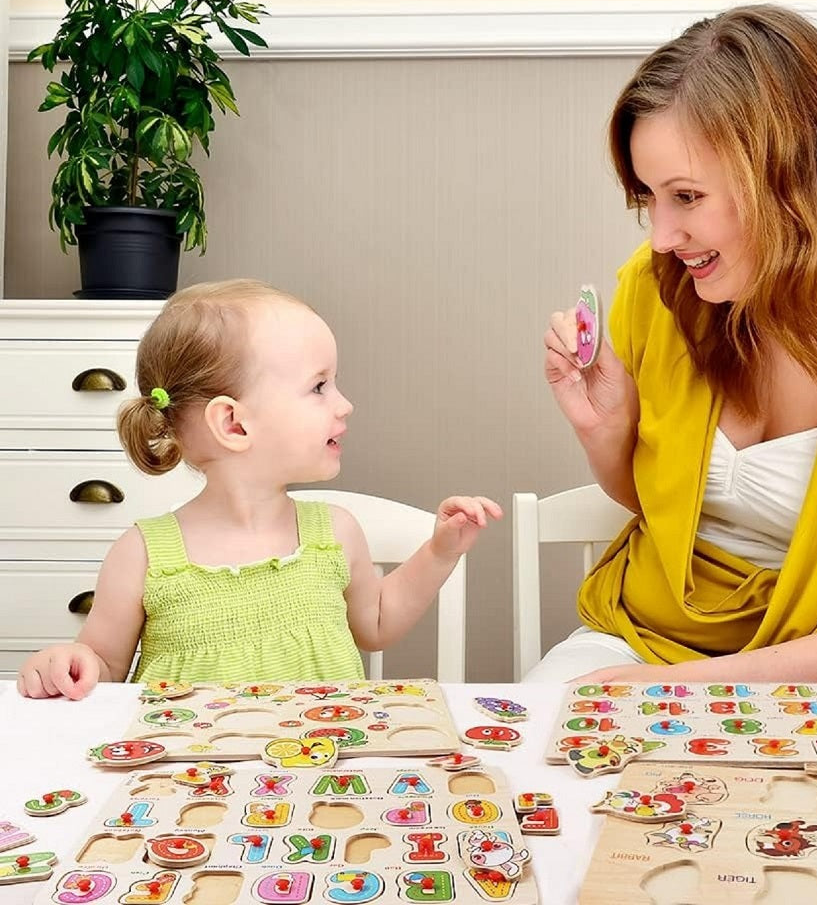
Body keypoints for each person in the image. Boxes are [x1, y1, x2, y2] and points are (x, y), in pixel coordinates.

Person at [536, 4, 817, 685]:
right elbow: (655, 510)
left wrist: (680, 693)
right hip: (636, 643)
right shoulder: (659, 288)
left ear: (791, 176)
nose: (662, 236)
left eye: (687, 197)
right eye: (649, 199)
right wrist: (607, 434)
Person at [17, 280, 501, 698]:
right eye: (319, 387)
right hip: (191, 789)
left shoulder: (335, 532)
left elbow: (375, 624)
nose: (345, 404)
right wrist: (69, 665)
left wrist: (440, 552)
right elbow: (104, 665)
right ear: (233, 423)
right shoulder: (143, 555)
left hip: (318, 780)